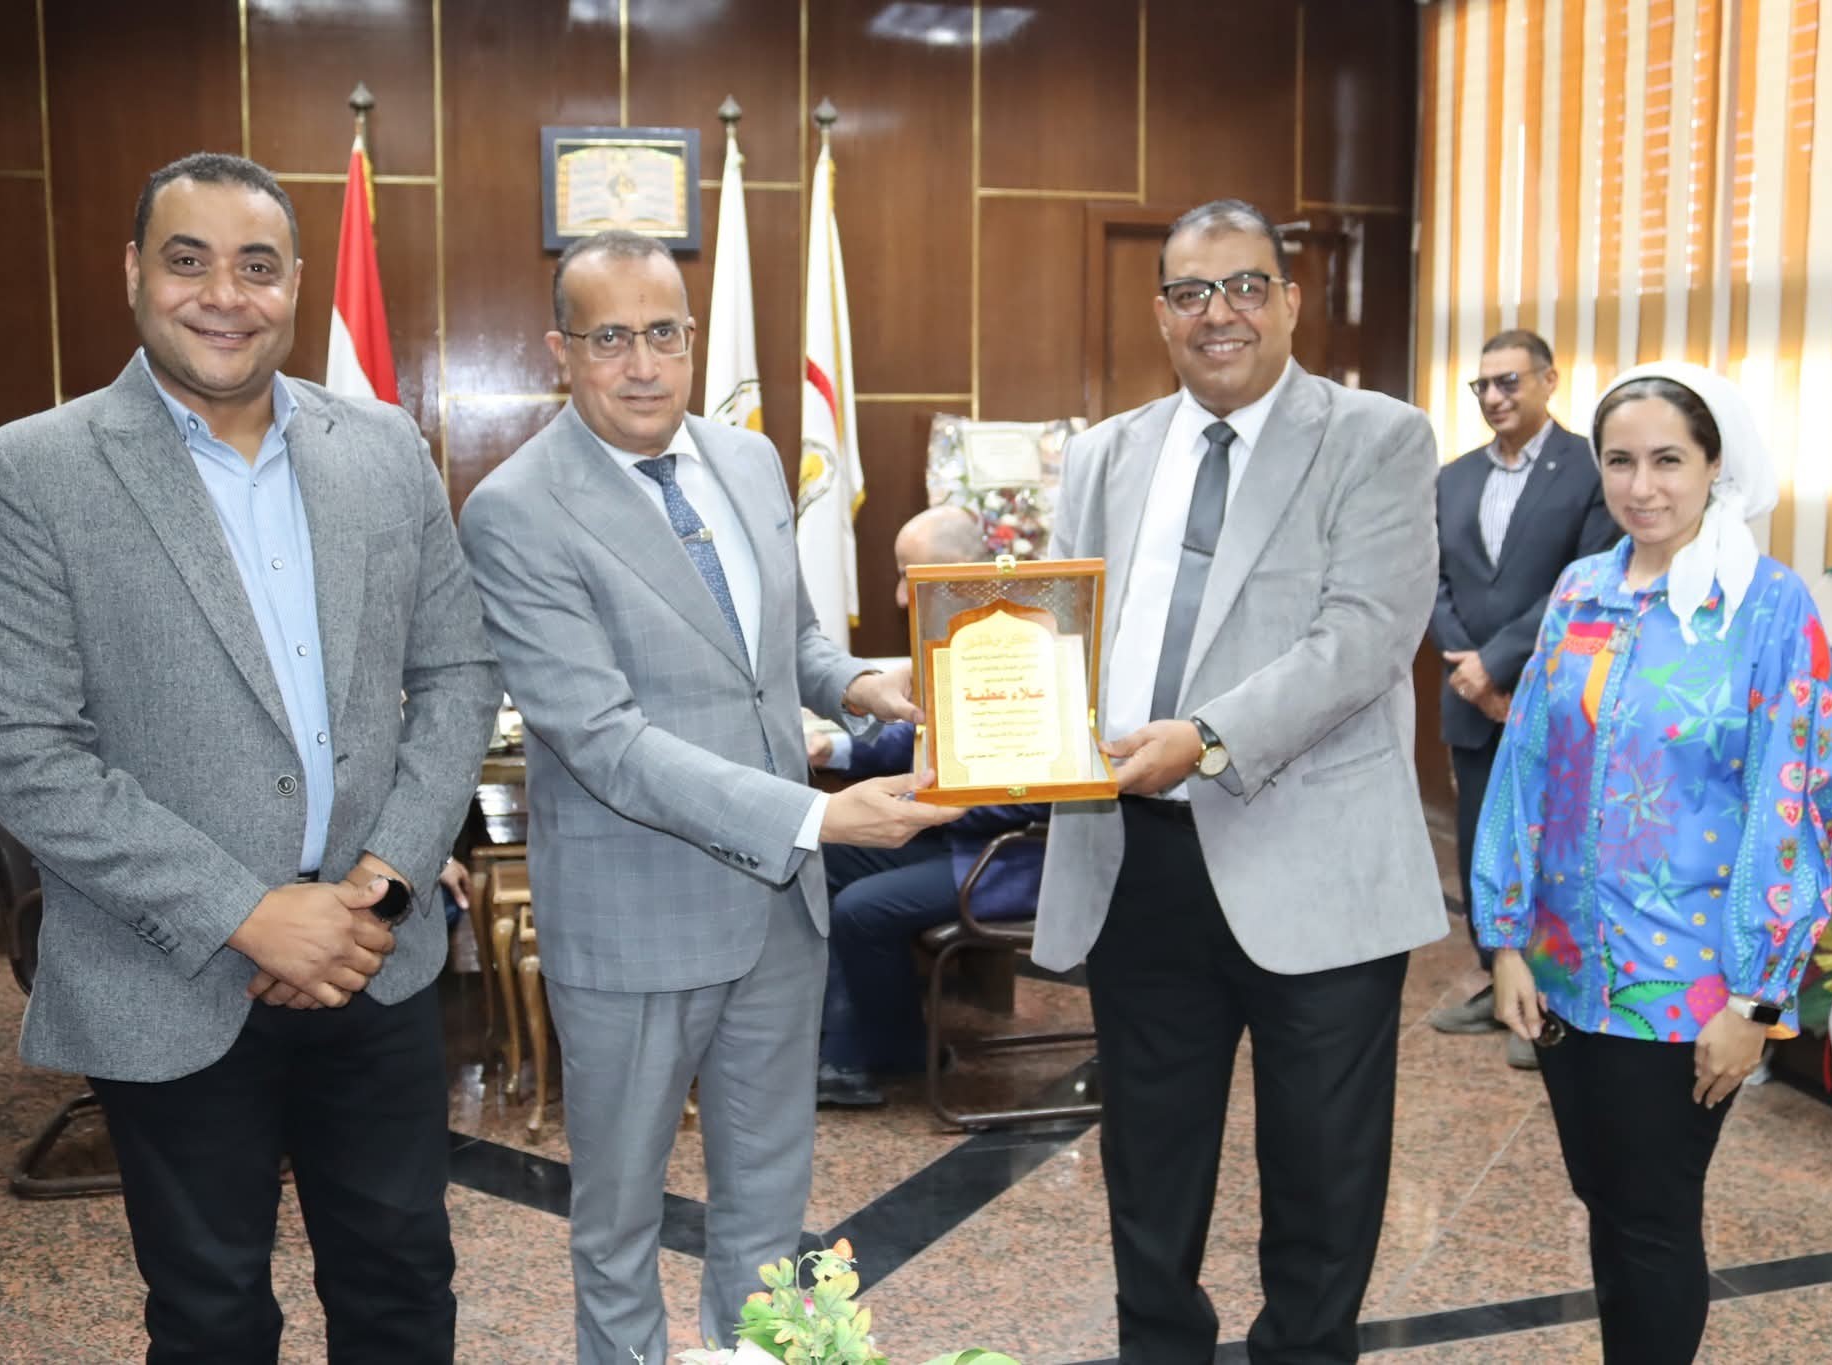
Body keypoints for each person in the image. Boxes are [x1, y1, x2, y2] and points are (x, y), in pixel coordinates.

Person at [0, 152, 500, 1363]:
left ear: (297, 285)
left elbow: (459, 676)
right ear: (133, 272)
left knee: (405, 1287)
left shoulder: (385, 447)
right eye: (187, 259)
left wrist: (380, 883)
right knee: (209, 1318)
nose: (224, 295)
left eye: (257, 267)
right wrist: (248, 915)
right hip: (169, 976)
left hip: (377, 960)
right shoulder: (31, 471)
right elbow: (24, 753)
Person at [456, 229, 963, 1363]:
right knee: (621, 1220)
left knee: (768, 1209)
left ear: (693, 339)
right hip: (637, 919)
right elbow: (602, 740)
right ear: (561, 350)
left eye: (665, 334)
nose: (643, 364)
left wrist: (878, 688)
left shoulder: (747, 461)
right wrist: (816, 817)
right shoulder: (516, 512)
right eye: (611, 338)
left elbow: (784, 648)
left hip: (777, 913)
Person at [1031, 199, 1447, 1362]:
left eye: (1244, 286)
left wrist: (1204, 738)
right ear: (1159, 311)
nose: (1218, 314)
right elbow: (1067, 633)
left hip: (1309, 860)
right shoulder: (1107, 450)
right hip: (1137, 859)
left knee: (1321, 1170)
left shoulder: (1377, 436)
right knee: (1148, 1162)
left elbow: (1360, 639)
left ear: (1289, 298)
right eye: (1189, 292)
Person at [1473, 362, 1832, 1363]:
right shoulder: (1580, 590)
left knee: (1649, 1216)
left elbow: (1797, 803)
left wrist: (1757, 999)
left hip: (1684, 984)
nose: (1642, 487)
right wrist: (1504, 941)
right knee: (1604, 1200)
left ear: (1713, 464)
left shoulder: (1765, 608)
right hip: (1559, 967)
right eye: (1620, 462)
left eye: (1667, 460)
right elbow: (1526, 766)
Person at [809, 505, 1048, 1107]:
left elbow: (1029, 791)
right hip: (956, 837)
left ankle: (889, 1052)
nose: (895, 593)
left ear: (962, 574)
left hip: (1010, 856)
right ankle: (846, 1046)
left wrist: (915, 797)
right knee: (816, 856)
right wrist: (829, 748)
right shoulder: (956, 637)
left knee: (861, 909)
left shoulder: (1024, 648)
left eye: (906, 573)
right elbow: (914, 738)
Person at [1428, 329, 1618, 1067]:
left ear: (1548, 379)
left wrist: (1502, 663)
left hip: (1557, 691)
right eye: (1482, 386)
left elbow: (1583, 580)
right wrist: (1469, 672)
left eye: (1509, 381)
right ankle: (1495, 981)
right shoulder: (1452, 477)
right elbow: (1434, 579)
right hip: (1470, 694)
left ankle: (1547, 1000)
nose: (1495, 398)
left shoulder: (1589, 472)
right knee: (1484, 840)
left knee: (1554, 845)